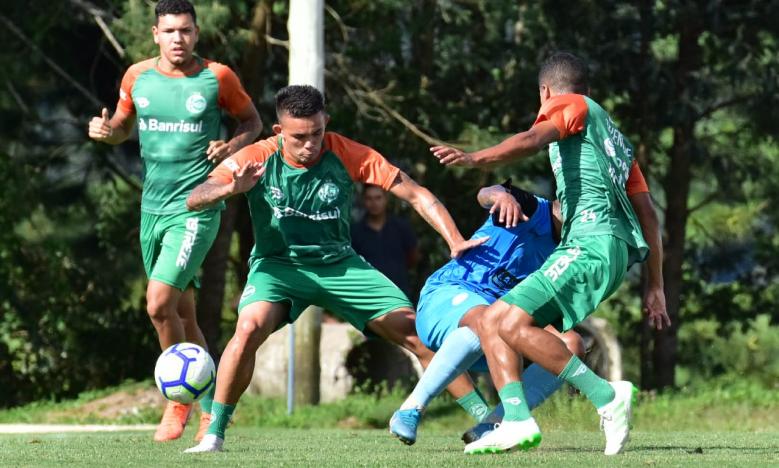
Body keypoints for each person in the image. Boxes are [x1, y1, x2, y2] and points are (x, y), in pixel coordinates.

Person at [182, 85, 484, 453]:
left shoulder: (346, 152)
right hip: (280, 267)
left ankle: (487, 421)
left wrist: (454, 239)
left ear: (325, 122)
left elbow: (416, 193)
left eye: (316, 133)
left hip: (340, 266)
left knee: (416, 334)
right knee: (246, 329)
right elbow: (196, 197)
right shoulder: (256, 157)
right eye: (298, 137)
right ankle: (214, 432)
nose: (310, 144)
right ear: (279, 133)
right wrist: (229, 190)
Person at [430, 51, 670, 455]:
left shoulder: (570, 105)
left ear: (545, 92)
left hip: (590, 243)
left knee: (501, 320)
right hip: (606, 251)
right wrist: (656, 285)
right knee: (499, 321)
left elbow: (530, 140)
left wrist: (477, 159)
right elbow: (648, 214)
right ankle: (517, 421)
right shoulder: (617, 142)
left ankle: (607, 397)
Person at [86, 0, 262, 443]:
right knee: (182, 313)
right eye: (169, 31)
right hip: (152, 210)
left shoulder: (217, 77)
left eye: (185, 31)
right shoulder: (136, 77)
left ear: (196, 33)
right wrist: (109, 133)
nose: (177, 39)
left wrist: (231, 146)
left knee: (159, 304)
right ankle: (211, 412)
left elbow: (252, 120)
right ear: (155, 34)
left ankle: (177, 397)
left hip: (196, 209)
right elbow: (124, 126)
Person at [389, 163, 656, 446]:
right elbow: (486, 193)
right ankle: (410, 408)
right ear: (564, 203)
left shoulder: (571, 251)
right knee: (486, 319)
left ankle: (496, 423)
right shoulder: (529, 207)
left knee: (572, 344)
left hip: (495, 330)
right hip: (448, 297)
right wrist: (500, 197)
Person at [351, 184, 420, 299]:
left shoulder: (401, 227)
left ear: (386, 199)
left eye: (378, 198)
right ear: (364, 200)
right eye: (369, 198)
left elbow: (413, 256)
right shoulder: (355, 232)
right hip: (369, 293)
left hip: (399, 291)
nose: (374, 203)